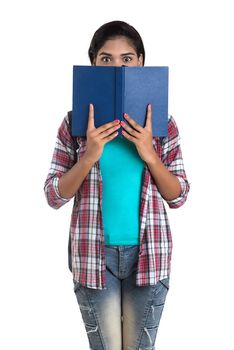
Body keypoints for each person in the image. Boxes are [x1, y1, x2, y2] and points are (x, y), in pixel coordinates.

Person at [44, 20, 190, 350]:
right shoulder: (74, 123)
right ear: (93, 63)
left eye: (127, 58)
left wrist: (150, 154)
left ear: (140, 61)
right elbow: (53, 195)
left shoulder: (162, 123)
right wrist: (88, 156)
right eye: (106, 59)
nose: (117, 65)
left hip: (149, 253)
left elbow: (179, 195)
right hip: (93, 255)